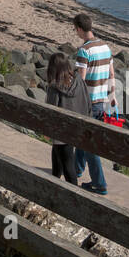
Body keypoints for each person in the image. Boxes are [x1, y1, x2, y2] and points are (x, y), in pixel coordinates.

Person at [73, 13, 113, 195]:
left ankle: (99, 183)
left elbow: (80, 81)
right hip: (102, 101)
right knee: (84, 136)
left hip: (88, 102)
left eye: (75, 29)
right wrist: (112, 97)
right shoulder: (105, 47)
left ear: (80, 29)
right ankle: (77, 169)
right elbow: (111, 74)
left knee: (89, 144)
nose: (76, 32)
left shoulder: (84, 51)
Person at [45, 52, 90, 185]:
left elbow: (50, 111)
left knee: (68, 165)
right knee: (58, 156)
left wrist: (47, 130)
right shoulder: (78, 80)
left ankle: (73, 194)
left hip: (62, 131)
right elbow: (87, 101)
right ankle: (54, 182)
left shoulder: (54, 87)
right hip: (77, 126)